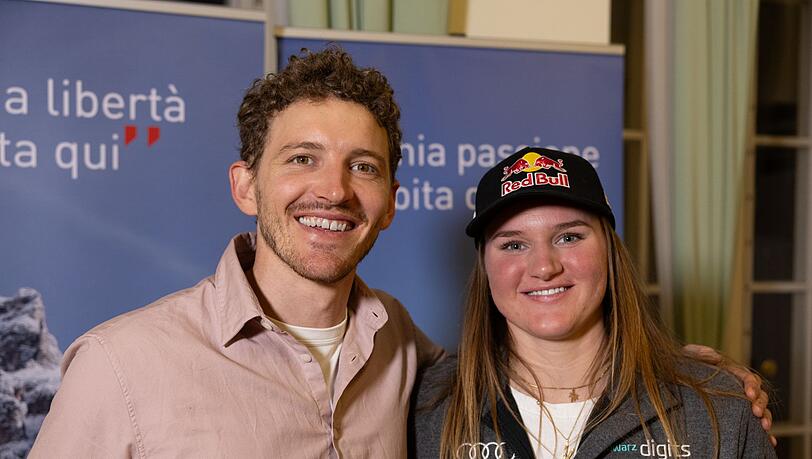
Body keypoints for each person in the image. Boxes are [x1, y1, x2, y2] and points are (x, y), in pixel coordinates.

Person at [30, 48, 768, 457]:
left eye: (363, 165)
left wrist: (701, 381)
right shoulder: (119, 367)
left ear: (388, 201)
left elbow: (542, 361)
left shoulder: (409, 360)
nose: (333, 190)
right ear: (245, 185)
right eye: (301, 159)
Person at [411, 147, 776, 458]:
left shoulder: (721, 406)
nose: (544, 267)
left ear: (609, 251)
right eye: (513, 244)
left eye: (569, 237)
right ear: (485, 266)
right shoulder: (426, 407)